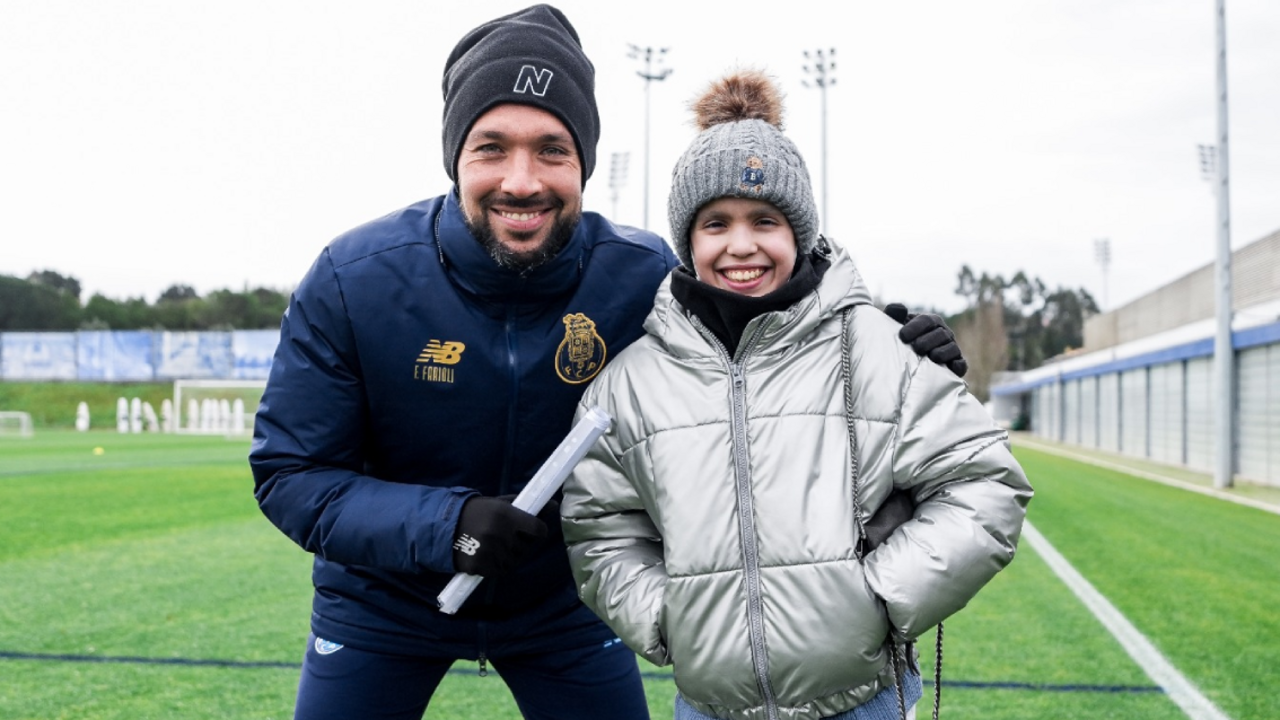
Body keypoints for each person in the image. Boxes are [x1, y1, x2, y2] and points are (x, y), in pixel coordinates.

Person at [249, 6, 968, 719]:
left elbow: (770, 332)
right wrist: (448, 524)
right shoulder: (354, 279)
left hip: (563, 609)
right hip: (381, 604)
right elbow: (291, 473)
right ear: (454, 158)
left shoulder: (643, 276)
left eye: (552, 150)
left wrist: (886, 343)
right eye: (492, 148)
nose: (522, 181)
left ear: (584, 163)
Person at [560, 69, 1033, 720]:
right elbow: (599, 528)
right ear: (688, 240)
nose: (741, 245)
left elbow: (985, 485)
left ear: (799, 232)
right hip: (707, 708)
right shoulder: (630, 382)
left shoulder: (881, 348)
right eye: (716, 223)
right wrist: (668, 617)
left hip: (864, 704)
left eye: (765, 219)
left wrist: (879, 598)